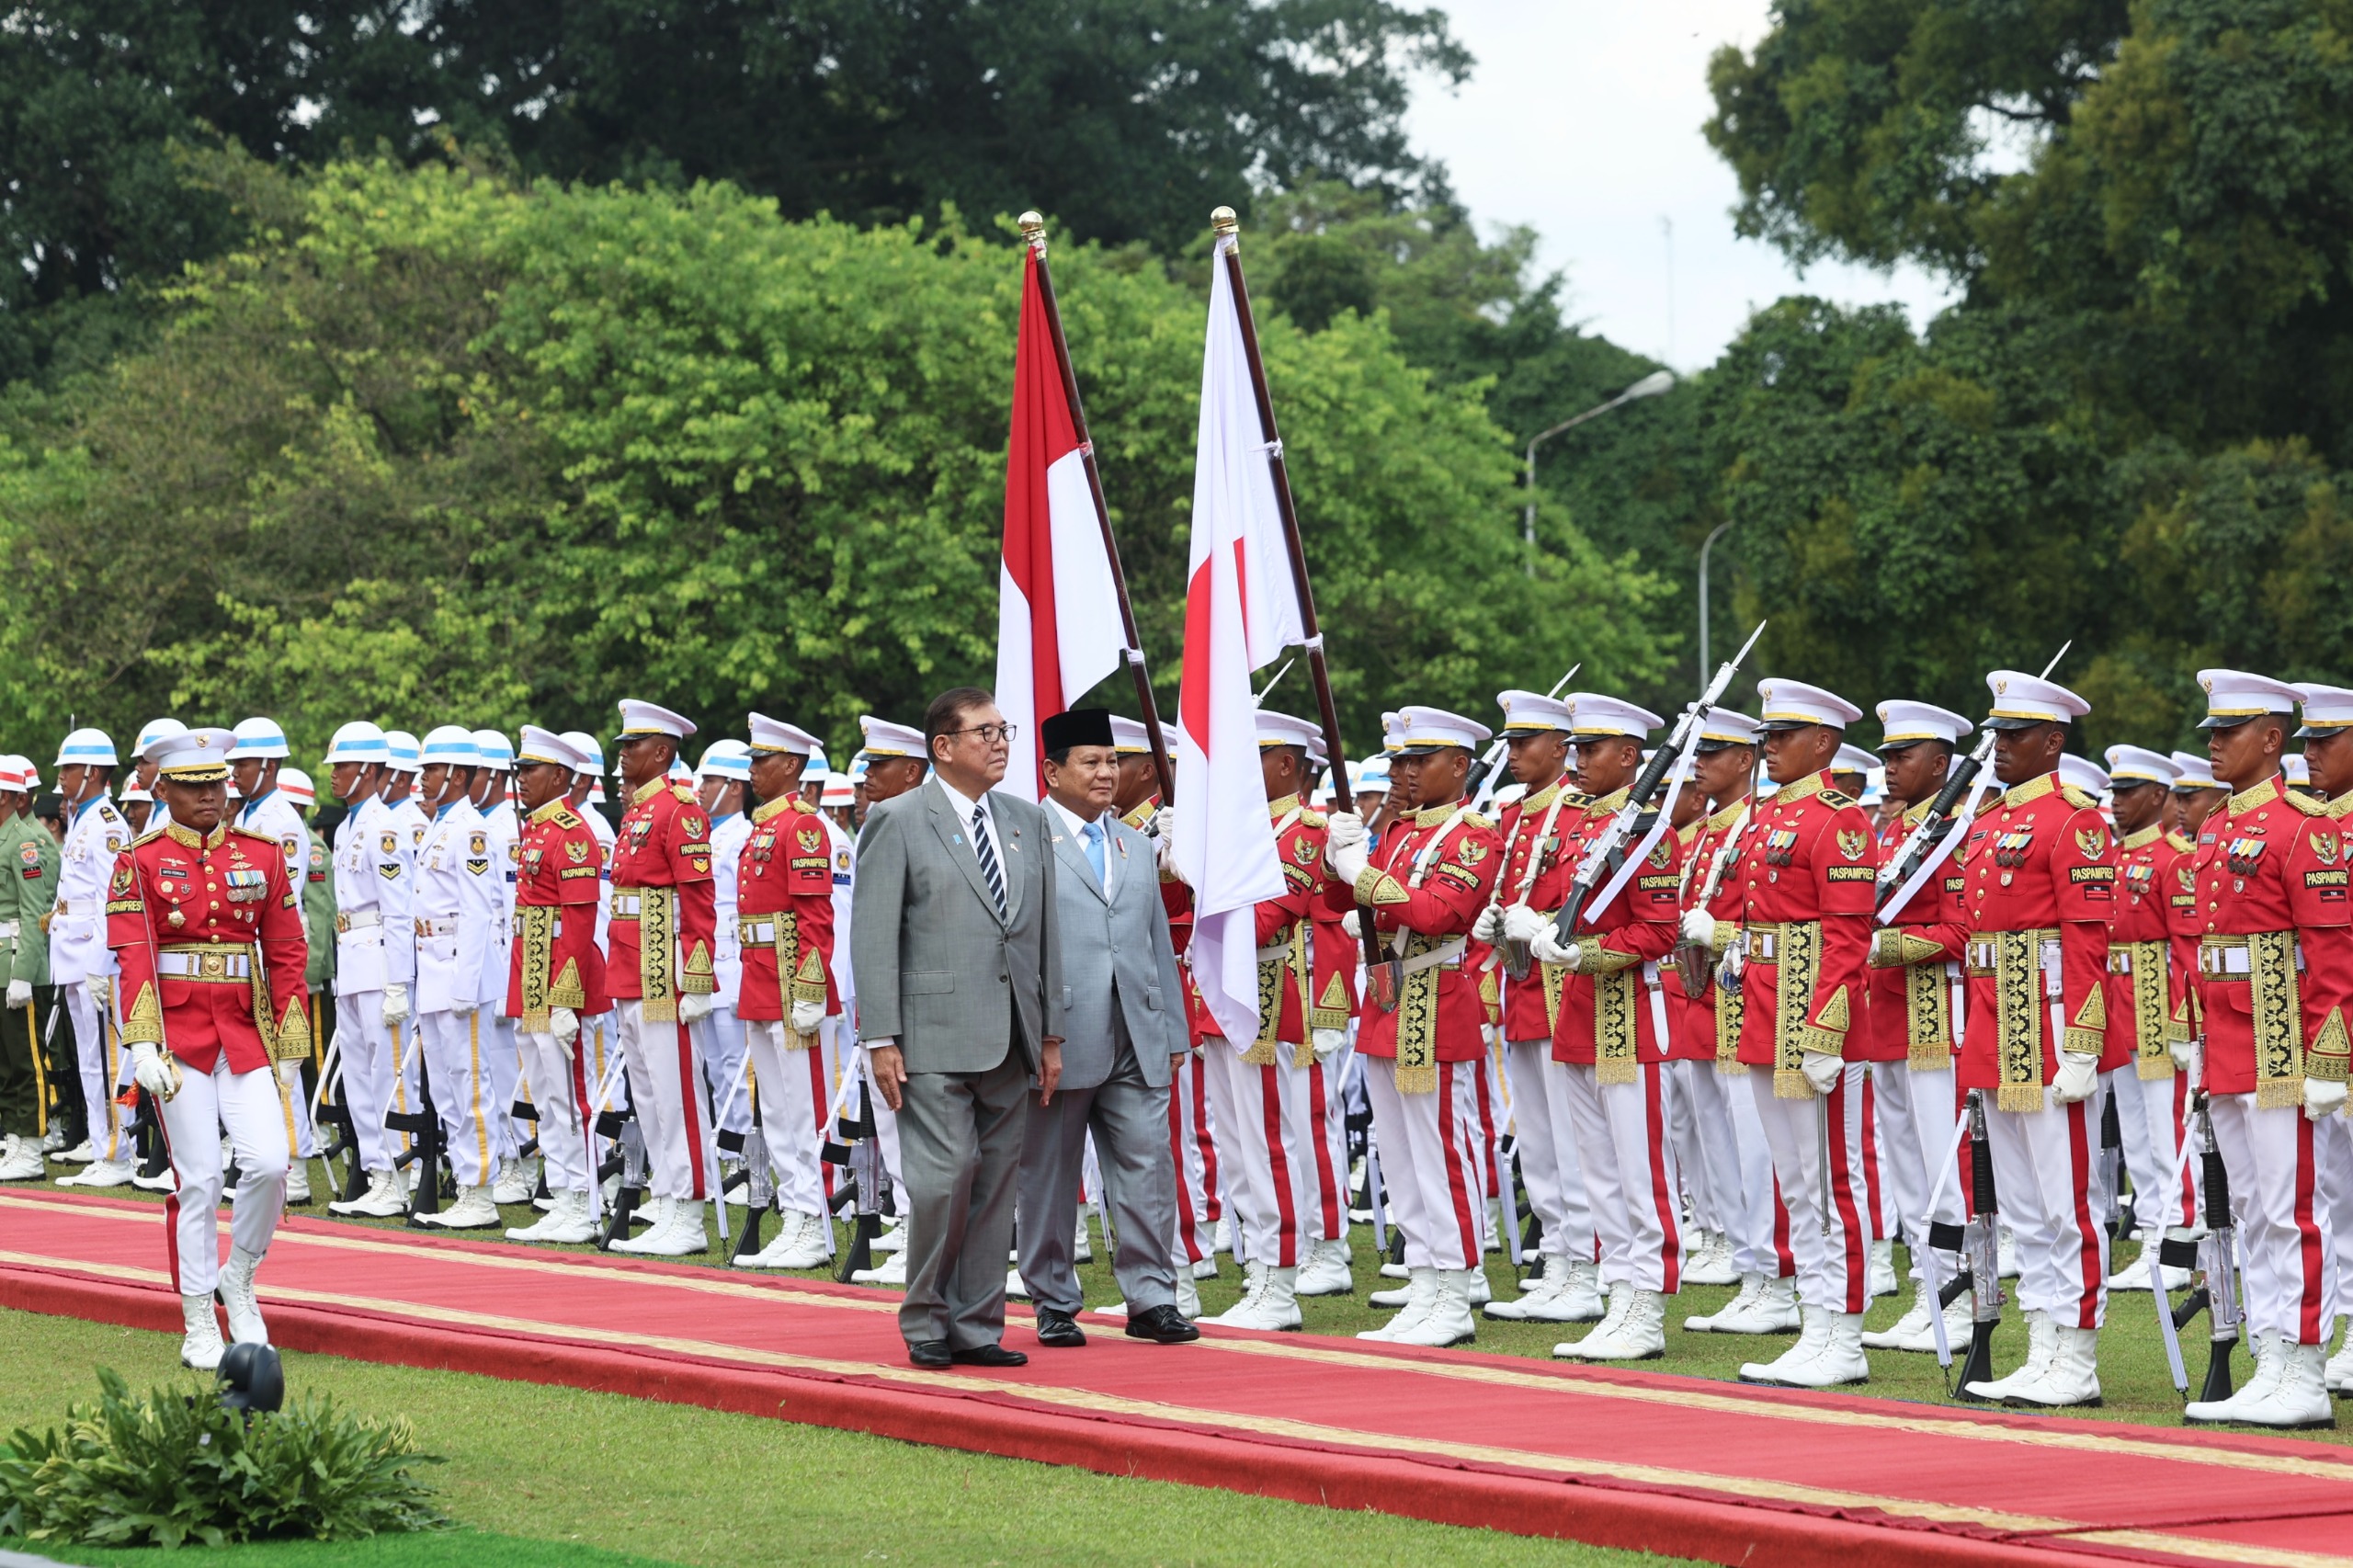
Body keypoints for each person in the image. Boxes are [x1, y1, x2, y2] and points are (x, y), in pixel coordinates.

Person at [851, 687, 1063, 1369]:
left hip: (1011, 1033)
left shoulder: (1026, 821)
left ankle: (977, 1324)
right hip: (931, 1033)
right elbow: (874, 934)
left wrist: (1051, 1032)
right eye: (984, 732)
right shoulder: (899, 819)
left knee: (998, 1183)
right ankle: (925, 1318)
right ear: (943, 747)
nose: (1000, 742)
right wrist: (879, 1037)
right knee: (946, 1179)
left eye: (1004, 731)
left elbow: (1044, 934)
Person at [109, 726, 309, 1369]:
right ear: (162, 787)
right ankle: (198, 1314)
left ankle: (240, 1277)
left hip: (244, 1032)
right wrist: (141, 1043)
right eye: (194, 786)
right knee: (199, 1178)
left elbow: (285, 949)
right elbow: (134, 954)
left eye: (218, 784)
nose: (210, 798)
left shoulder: (262, 852)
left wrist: (291, 1035)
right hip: (178, 1037)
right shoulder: (138, 859)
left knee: (271, 1163)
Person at [2177, 671, 2348, 1426]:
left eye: (2229, 732)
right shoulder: (2215, 827)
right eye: (2212, 732)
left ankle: (2306, 1368)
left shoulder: (2302, 825)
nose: (2213, 744)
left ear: (2271, 740)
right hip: (2229, 1041)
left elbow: (2333, 955)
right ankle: (2274, 1355)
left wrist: (2330, 1059)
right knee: (2250, 1210)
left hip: (2281, 1043)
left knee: (2291, 1210)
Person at [1947, 671, 2113, 1408]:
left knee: (2064, 1201)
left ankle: (2075, 1354)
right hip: (1994, 1018)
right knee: (2022, 1206)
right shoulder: (1987, 823)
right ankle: (2044, 1341)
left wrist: (2082, 1041)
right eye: (1997, 736)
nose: (2001, 748)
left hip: (2047, 1020)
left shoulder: (2076, 822)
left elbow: (2088, 942)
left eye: (2016, 736)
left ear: (2054, 741)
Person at [1015, 708, 1196, 1347]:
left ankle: (1151, 1297)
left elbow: (1154, 945)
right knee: (1049, 1173)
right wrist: (1033, 1032)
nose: (1104, 773)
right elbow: (1016, 946)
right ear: (1052, 770)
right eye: (1089, 762)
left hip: (1137, 1033)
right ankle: (1054, 1299)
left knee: (1147, 1168)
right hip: (1059, 1035)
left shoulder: (1135, 844)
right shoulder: (1025, 837)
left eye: (1112, 762)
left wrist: (1175, 1031)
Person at [1326, 706, 1504, 1348]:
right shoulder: (1398, 831)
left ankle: (1455, 1292)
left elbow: (1437, 911)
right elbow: (1340, 902)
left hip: (1438, 1000)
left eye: (1417, 760)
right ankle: (1425, 1281)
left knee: (1440, 1154)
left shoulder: (1474, 835)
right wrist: (1337, 854)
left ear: (1458, 765)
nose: (1403, 772)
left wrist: (1362, 875)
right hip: (1387, 1001)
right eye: (1399, 760)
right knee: (1399, 1157)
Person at [1162, 710, 1339, 1332]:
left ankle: (1279, 1279)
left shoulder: (1305, 831)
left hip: (1269, 997)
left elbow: (1265, 917)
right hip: (1223, 993)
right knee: (1235, 1147)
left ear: (1285, 765)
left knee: (1270, 1145)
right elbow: (1183, 909)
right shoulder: (1244, 829)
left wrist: (1195, 869)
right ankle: (1258, 1269)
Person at [1722, 680, 1876, 1389]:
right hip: (1761, 1008)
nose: (1769, 748)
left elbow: (1848, 936)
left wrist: (1826, 1030)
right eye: (1766, 737)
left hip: (1809, 1020)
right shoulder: (1762, 818)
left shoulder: (1839, 821)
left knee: (1828, 1181)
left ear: (1823, 744)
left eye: (1783, 737)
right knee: (1795, 1182)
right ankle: (1816, 1324)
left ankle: (1842, 1333)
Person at [1529, 695, 1688, 1361]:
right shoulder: (1575, 826)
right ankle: (1616, 1288)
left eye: (1591, 749)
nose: (1578, 761)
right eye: (1575, 749)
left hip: (1629, 1014)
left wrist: (1584, 953)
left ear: (1629, 757)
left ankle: (1644, 1304)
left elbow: (1659, 930)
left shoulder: (1650, 831)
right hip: (1579, 1015)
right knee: (1597, 1168)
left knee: (1638, 1167)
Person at [1856, 700, 1974, 1353]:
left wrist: (1887, 946)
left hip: (1935, 1014)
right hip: (1888, 1017)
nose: (1890, 768)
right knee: (1904, 1165)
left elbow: (1961, 930)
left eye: (1903, 757)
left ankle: (1957, 1294)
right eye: (1887, 756)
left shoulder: (1955, 834)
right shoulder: (1895, 834)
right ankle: (1930, 1288)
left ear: (1940, 763)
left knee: (1942, 1168)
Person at [605, 700, 722, 1256]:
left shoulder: (681, 810)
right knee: (648, 1094)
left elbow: (699, 901)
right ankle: (670, 1200)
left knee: (678, 1095)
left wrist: (696, 978)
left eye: (633, 745)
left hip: (663, 967)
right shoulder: (638, 811)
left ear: (662, 752)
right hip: (631, 963)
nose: (624, 753)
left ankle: (691, 1209)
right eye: (623, 745)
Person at [727, 714, 838, 1271]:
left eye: (760, 759)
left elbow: (816, 916)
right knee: (775, 1108)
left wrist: (812, 987)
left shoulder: (804, 826)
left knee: (803, 1107)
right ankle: (795, 1215)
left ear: (790, 765)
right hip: (761, 976)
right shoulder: (765, 826)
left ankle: (813, 1218)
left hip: (793, 980)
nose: (751, 771)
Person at [503, 727, 610, 1245]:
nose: (522, 779)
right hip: (530, 970)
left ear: (560, 777)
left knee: (571, 1094)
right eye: (520, 770)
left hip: (559, 978)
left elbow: (580, 920)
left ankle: (586, 1198)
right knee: (545, 1095)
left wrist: (565, 998)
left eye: (531, 770)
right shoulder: (537, 830)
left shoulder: (572, 833)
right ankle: (564, 1196)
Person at [2097, 745, 2195, 1292]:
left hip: (2157, 1006)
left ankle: (2178, 1241)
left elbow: (2186, 948)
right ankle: (2156, 1239)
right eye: (2114, 792)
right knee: (2134, 1136)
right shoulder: (2111, 857)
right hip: (2117, 1005)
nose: (2116, 802)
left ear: (2158, 796)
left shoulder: (2174, 858)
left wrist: (2183, 1021)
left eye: (2128, 792)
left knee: (2165, 1133)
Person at [402, 727, 502, 1228]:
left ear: (456, 776)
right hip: (434, 972)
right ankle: (467, 1183)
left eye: (431, 771)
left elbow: (478, 912)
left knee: (470, 1086)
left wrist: (465, 985)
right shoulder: (441, 825)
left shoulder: (470, 829)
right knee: (444, 1088)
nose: (422, 780)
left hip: (461, 976)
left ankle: (481, 1190)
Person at [323, 722, 420, 1219]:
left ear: (366, 771)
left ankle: (401, 1174)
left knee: (390, 1075)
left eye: (341, 767)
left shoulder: (386, 827)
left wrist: (399, 982)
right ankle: (379, 1173)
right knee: (358, 1076)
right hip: (352, 959)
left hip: (381, 959)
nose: (334, 777)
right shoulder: (345, 827)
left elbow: (399, 910)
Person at [229, 718, 322, 1204]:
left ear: (267, 764)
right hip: (249, 954)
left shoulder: (281, 820)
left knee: (283, 1059)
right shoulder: (249, 817)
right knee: (257, 1064)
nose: (234, 773)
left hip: (272, 952)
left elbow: (281, 895)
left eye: (242, 764)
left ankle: (296, 1165)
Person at [2296, 683, 2353, 1396]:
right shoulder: (2313, 827)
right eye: (2305, 742)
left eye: (2325, 742)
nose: (2310, 755)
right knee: (2334, 1194)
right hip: (2320, 1032)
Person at [50, 729, 136, 1187]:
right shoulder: (82, 818)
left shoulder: (105, 824)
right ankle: (106, 1145)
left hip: (95, 958)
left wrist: (102, 965)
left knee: (108, 1058)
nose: (61, 777)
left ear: (91, 773)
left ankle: (118, 1152)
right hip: (75, 950)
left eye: (67, 769)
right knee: (89, 1058)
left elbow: (113, 899)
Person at [0, 756, 59, 1182]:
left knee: (27, 1061)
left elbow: (36, 910)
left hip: (19, 958)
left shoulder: (23, 842)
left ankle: (34, 1145)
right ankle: (17, 1139)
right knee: (6, 1062)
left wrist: (23, 972)